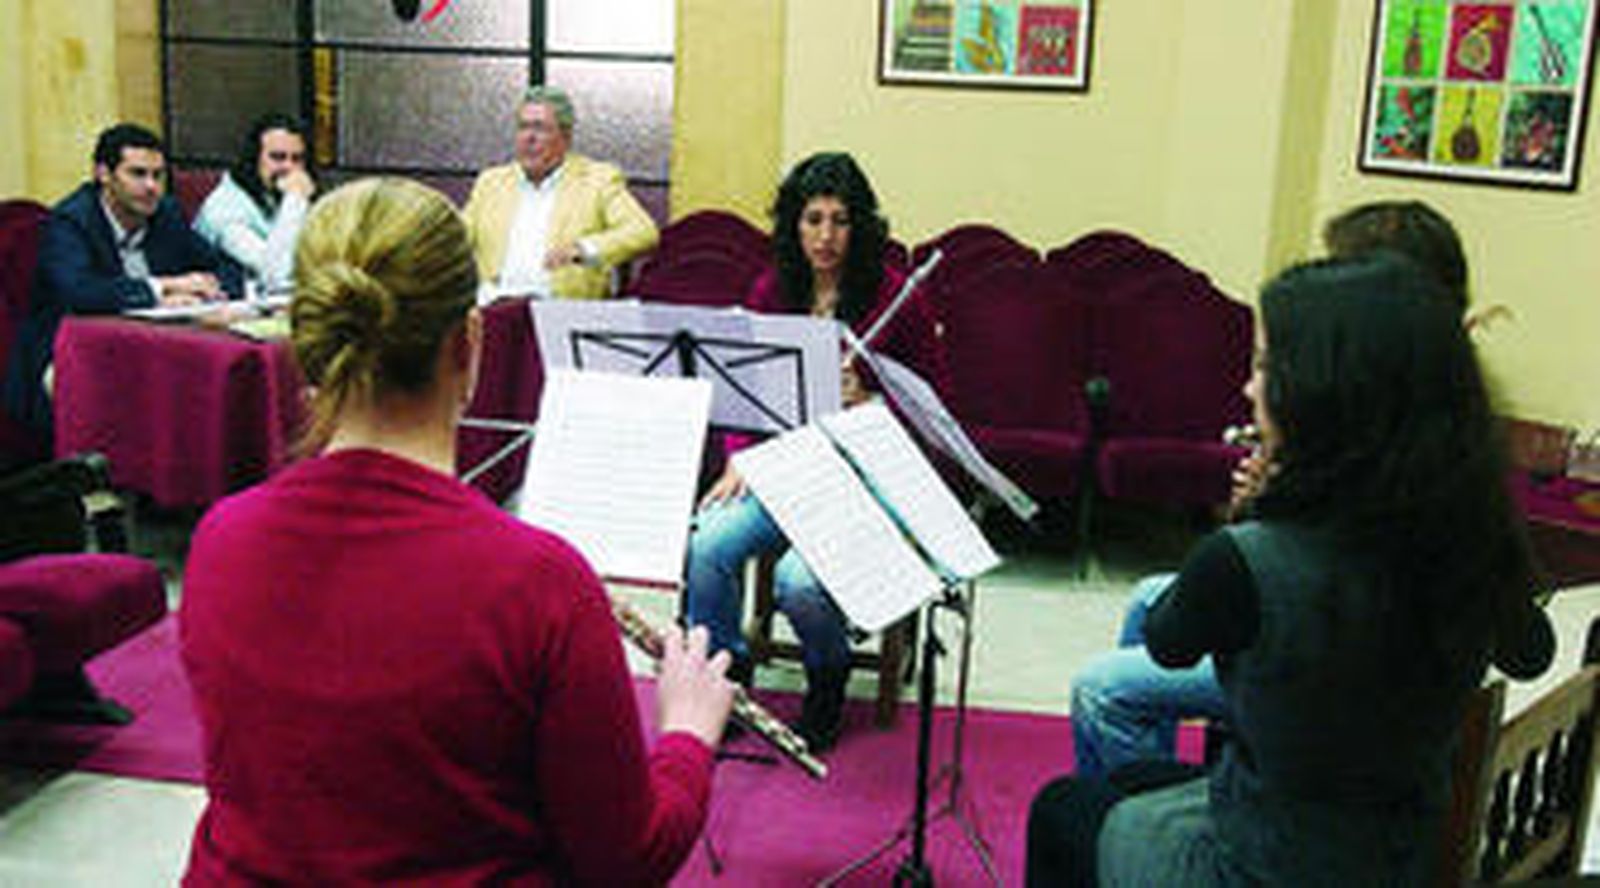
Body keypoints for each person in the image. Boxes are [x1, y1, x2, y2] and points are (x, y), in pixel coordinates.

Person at [179, 177, 734, 885]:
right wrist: (687, 734)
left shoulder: (222, 539)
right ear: (470, 341)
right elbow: (628, 860)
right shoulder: (536, 581)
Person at [1027, 254, 1554, 887]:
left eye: (1264, 368)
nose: (1249, 391)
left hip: (1271, 864)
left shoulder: (1252, 557)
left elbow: (1168, 640)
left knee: (1062, 807)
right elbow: (1532, 654)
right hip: (1395, 852)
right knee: (1136, 781)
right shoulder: (1470, 537)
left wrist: (1254, 510)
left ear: (1324, 397)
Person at [1067, 198, 1478, 779]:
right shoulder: (1430, 403)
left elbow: (1311, 570)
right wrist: (1266, 508)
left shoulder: (1395, 426)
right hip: (1334, 634)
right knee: (1149, 599)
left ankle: (1155, 812)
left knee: (1102, 689)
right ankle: (1164, 784)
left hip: (1338, 677)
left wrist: (1268, 510)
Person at [682, 151, 942, 753]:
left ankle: (829, 673)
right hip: (787, 467)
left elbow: (933, 410)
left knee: (798, 582)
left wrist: (873, 399)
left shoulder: (897, 298)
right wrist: (740, 456)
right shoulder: (773, 289)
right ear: (793, 225)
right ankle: (726, 674)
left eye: (840, 221)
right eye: (813, 220)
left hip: (863, 477)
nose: (825, 237)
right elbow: (742, 393)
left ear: (861, 226)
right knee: (708, 543)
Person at [4, 123, 234, 437]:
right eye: (138, 174)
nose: (151, 186)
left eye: (158, 176)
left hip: (153, 345)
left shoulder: (165, 214)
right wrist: (161, 288)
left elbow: (222, 268)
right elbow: (79, 292)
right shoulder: (71, 220)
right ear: (103, 174)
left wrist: (208, 293)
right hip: (68, 352)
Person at [462, 85, 657, 300]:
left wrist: (584, 249)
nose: (529, 137)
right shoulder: (491, 182)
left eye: (540, 128)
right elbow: (455, 238)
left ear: (565, 137)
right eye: (523, 127)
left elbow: (643, 231)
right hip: (492, 304)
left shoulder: (597, 180)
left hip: (557, 308)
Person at [193, 112, 316, 294]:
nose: (289, 168)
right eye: (278, 157)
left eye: (297, 159)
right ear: (254, 159)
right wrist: (295, 200)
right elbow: (276, 275)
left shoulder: (276, 196)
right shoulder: (224, 208)